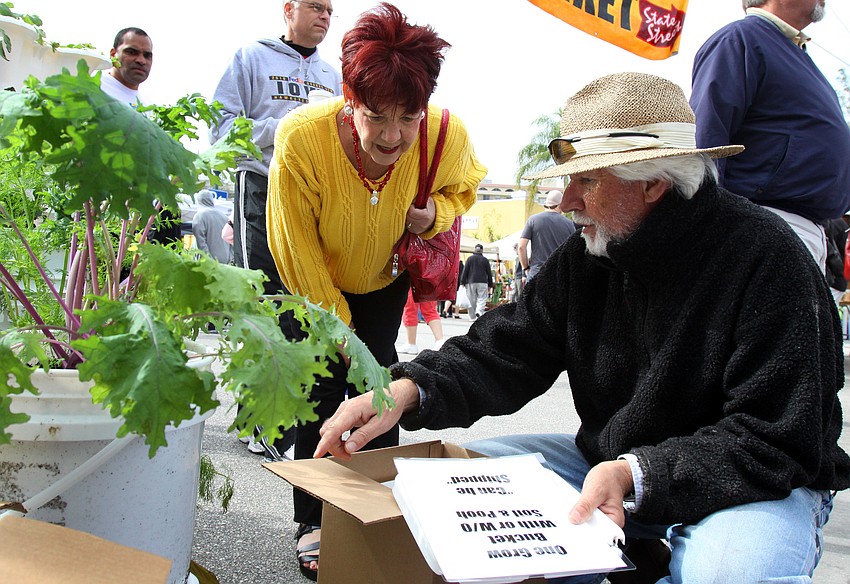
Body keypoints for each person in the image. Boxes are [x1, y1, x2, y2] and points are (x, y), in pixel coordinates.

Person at [315, 72, 850, 584]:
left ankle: (642, 553)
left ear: (654, 186)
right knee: (441, 492)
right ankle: (635, 555)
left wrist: (636, 474)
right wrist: (407, 389)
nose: (566, 201)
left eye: (586, 181)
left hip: (750, 482)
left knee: (731, 577)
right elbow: (510, 345)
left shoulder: (769, 261)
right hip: (607, 466)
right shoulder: (588, 256)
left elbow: (776, 437)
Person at [265, 3, 487, 580]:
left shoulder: (444, 132)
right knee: (321, 389)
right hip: (313, 286)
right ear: (347, 96)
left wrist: (434, 214)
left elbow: (466, 187)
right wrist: (342, 332)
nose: (392, 136)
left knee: (374, 389)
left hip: (384, 283)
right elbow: (295, 251)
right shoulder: (301, 139)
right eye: (374, 116)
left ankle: (367, 503)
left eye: (407, 117)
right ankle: (313, 518)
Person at [209, 0, 341, 457]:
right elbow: (221, 129)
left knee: (302, 306)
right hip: (260, 185)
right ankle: (270, 426)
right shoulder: (251, 58)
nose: (324, 15)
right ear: (288, 9)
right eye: (315, 6)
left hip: (310, 194)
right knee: (264, 302)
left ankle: (268, 419)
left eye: (330, 10)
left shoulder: (333, 75)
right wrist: (282, 126)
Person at [691, 0, 850, 272]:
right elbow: (707, 137)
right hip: (764, 223)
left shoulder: (795, 51)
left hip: (800, 229)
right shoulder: (740, 39)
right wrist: (707, 226)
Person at [518, 190, 576, 282]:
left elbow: (521, 246)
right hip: (558, 276)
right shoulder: (569, 224)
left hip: (536, 274)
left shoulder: (533, 220)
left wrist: (526, 268)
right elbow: (573, 251)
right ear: (560, 205)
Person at [99, 27, 153, 107]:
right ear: (113, 54)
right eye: (131, 52)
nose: (141, 60)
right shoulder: (92, 88)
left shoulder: (149, 108)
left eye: (147, 55)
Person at [397, 288, 446, 355]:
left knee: (410, 309)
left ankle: (411, 343)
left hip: (411, 280)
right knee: (430, 309)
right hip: (428, 280)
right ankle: (440, 340)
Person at [191, 190, 232, 264]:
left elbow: (200, 242)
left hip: (208, 261)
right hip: (225, 260)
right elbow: (231, 239)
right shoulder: (224, 217)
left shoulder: (199, 216)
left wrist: (208, 260)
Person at [460, 243, 492, 319]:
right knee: (482, 298)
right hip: (483, 282)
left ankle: (472, 316)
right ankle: (479, 311)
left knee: (471, 299)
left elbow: (465, 271)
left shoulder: (470, 259)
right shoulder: (485, 260)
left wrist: (462, 282)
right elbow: (489, 273)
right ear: (482, 251)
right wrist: (490, 284)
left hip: (471, 282)